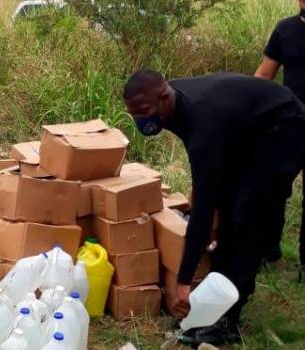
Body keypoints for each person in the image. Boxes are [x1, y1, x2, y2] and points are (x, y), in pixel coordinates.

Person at [123, 70, 305, 347]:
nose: (140, 119)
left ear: (163, 97)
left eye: (144, 111)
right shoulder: (173, 106)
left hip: (284, 128)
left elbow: (203, 211)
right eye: (133, 113)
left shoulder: (199, 119)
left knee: (249, 217)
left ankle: (227, 320)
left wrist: (183, 281)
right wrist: (215, 208)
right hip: (246, 131)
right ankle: (214, 297)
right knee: (228, 208)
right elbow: (209, 174)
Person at [254, 0, 305, 277]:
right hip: (290, 124)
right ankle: (268, 250)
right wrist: (246, 106)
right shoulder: (285, 30)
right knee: (274, 188)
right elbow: (264, 74)